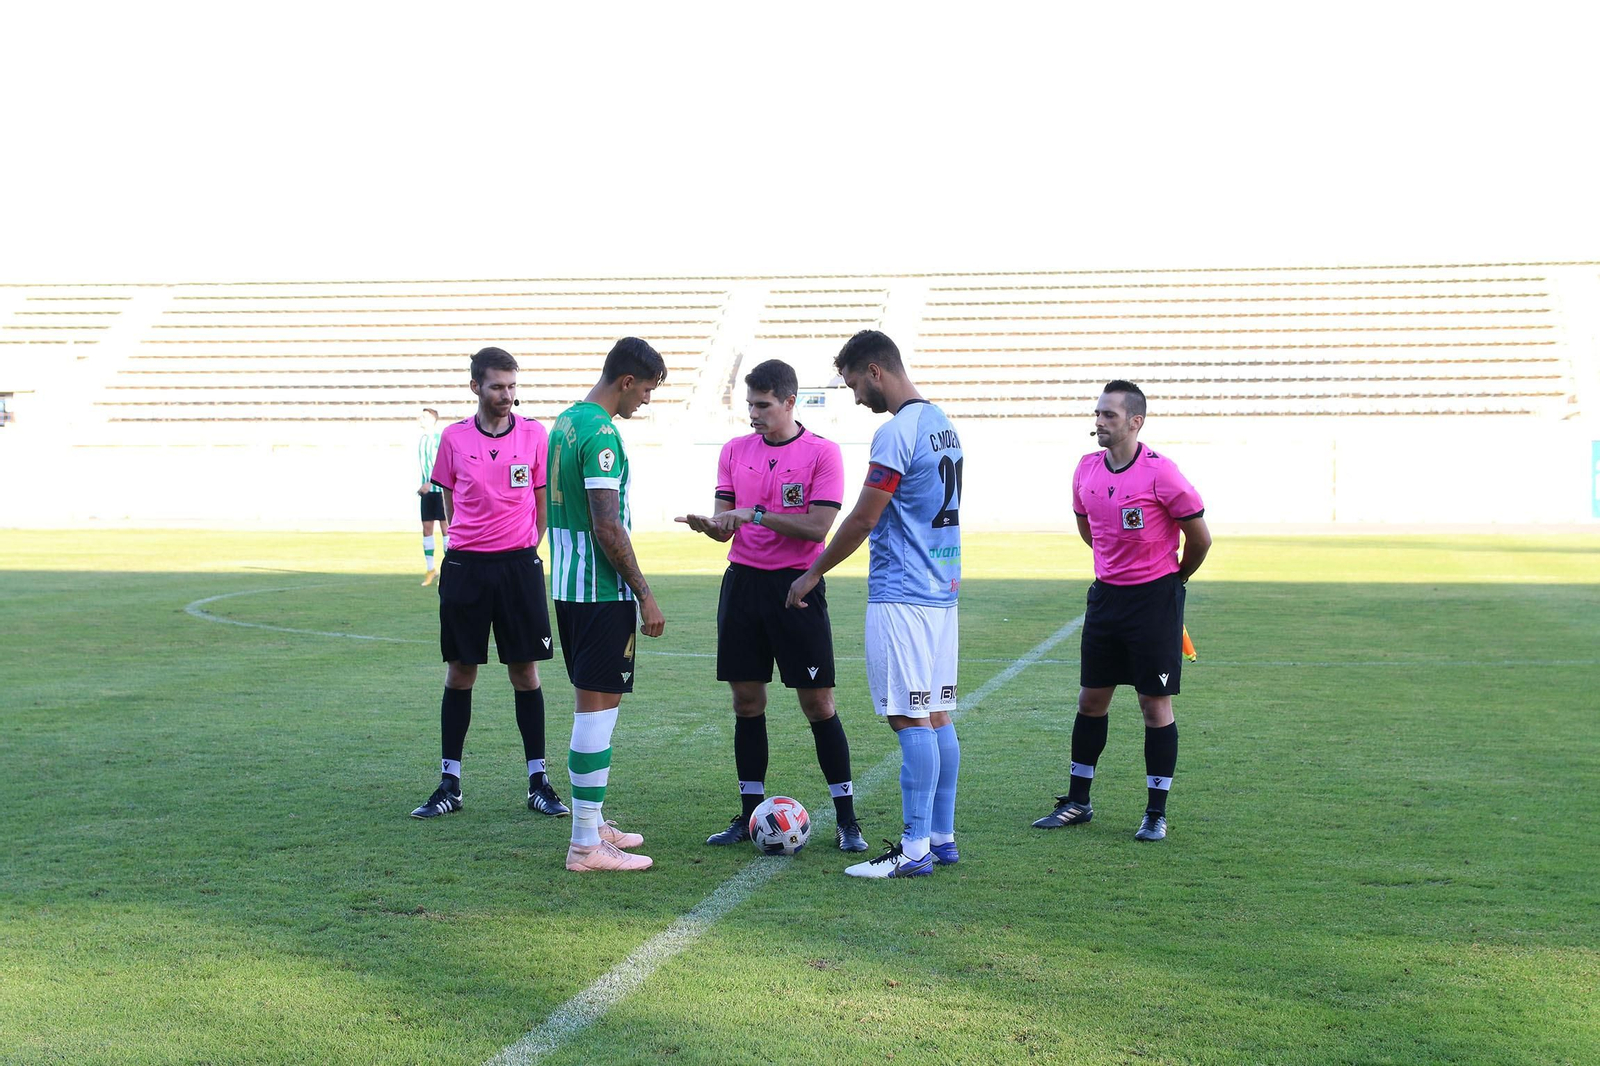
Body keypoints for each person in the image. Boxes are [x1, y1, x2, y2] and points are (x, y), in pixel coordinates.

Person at [786, 330, 963, 878]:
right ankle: (941, 835)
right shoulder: (943, 425)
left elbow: (863, 517)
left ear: (875, 370)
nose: (857, 397)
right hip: (941, 592)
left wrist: (812, 573)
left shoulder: (896, 432)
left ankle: (913, 851)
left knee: (909, 717)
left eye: (855, 384)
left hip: (902, 593)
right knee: (936, 714)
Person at [676, 358, 868, 854]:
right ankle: (748, 814)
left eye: (763, 405)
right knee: (746, 703)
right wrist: (711, 524)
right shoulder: (734, 451)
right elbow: (727, 522)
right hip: (742, 587)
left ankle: (847, 819)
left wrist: (755, 513)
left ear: (789, 402)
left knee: (818, 703)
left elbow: (817, 527)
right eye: (749, 405)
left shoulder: (822, 453)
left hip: (796, 588)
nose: (754, 414)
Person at [1032, 380, 1211, 842]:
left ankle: (1155, 811)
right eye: (1097, 413)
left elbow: (1200, 538)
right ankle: (1078, 801)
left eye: (1109, 415)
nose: (1099, 422)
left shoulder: (1162, 473)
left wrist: (1176, 580)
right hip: (1106, 598)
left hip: (1154, 601)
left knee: (1154, 706)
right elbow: (1086, 525)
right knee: (1091, 701)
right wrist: (1112, 562)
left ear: (1136, 421)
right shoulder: (1085, 469)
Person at [410, 347, 570, 821]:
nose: (507, 395)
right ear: (476, 386)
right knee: (461, 672)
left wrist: (524, 547)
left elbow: (543, 503)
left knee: (525, 672)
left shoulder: (534, 435)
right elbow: (448, 500)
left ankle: (539, 781)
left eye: (512, 386)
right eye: (498, 386)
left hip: (518, 568)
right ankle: (450, 783)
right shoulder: (454, 438)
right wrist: (467, 545)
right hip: (466, 570)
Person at [547, 337, 668, 873]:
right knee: (598, 715)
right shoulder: (601, 434)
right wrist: (644, 593)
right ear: (625, 381)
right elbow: (606, 524)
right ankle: (583, 847)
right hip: (600, 593)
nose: (646, 399)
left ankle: (592, 824)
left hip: (569, 588)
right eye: (645, 388)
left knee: (590, 708)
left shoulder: (566, 422)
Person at [417, 407, 450, 586]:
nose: (420, 419)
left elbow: (442, 465)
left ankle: (448, 570)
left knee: (446, 530)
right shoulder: (422, 440)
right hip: (426, 493)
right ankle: (431, 569)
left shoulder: (438, 439)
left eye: (424, 417)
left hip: (439, 492)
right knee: (427, 529)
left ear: (433, 420)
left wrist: (431, 483)